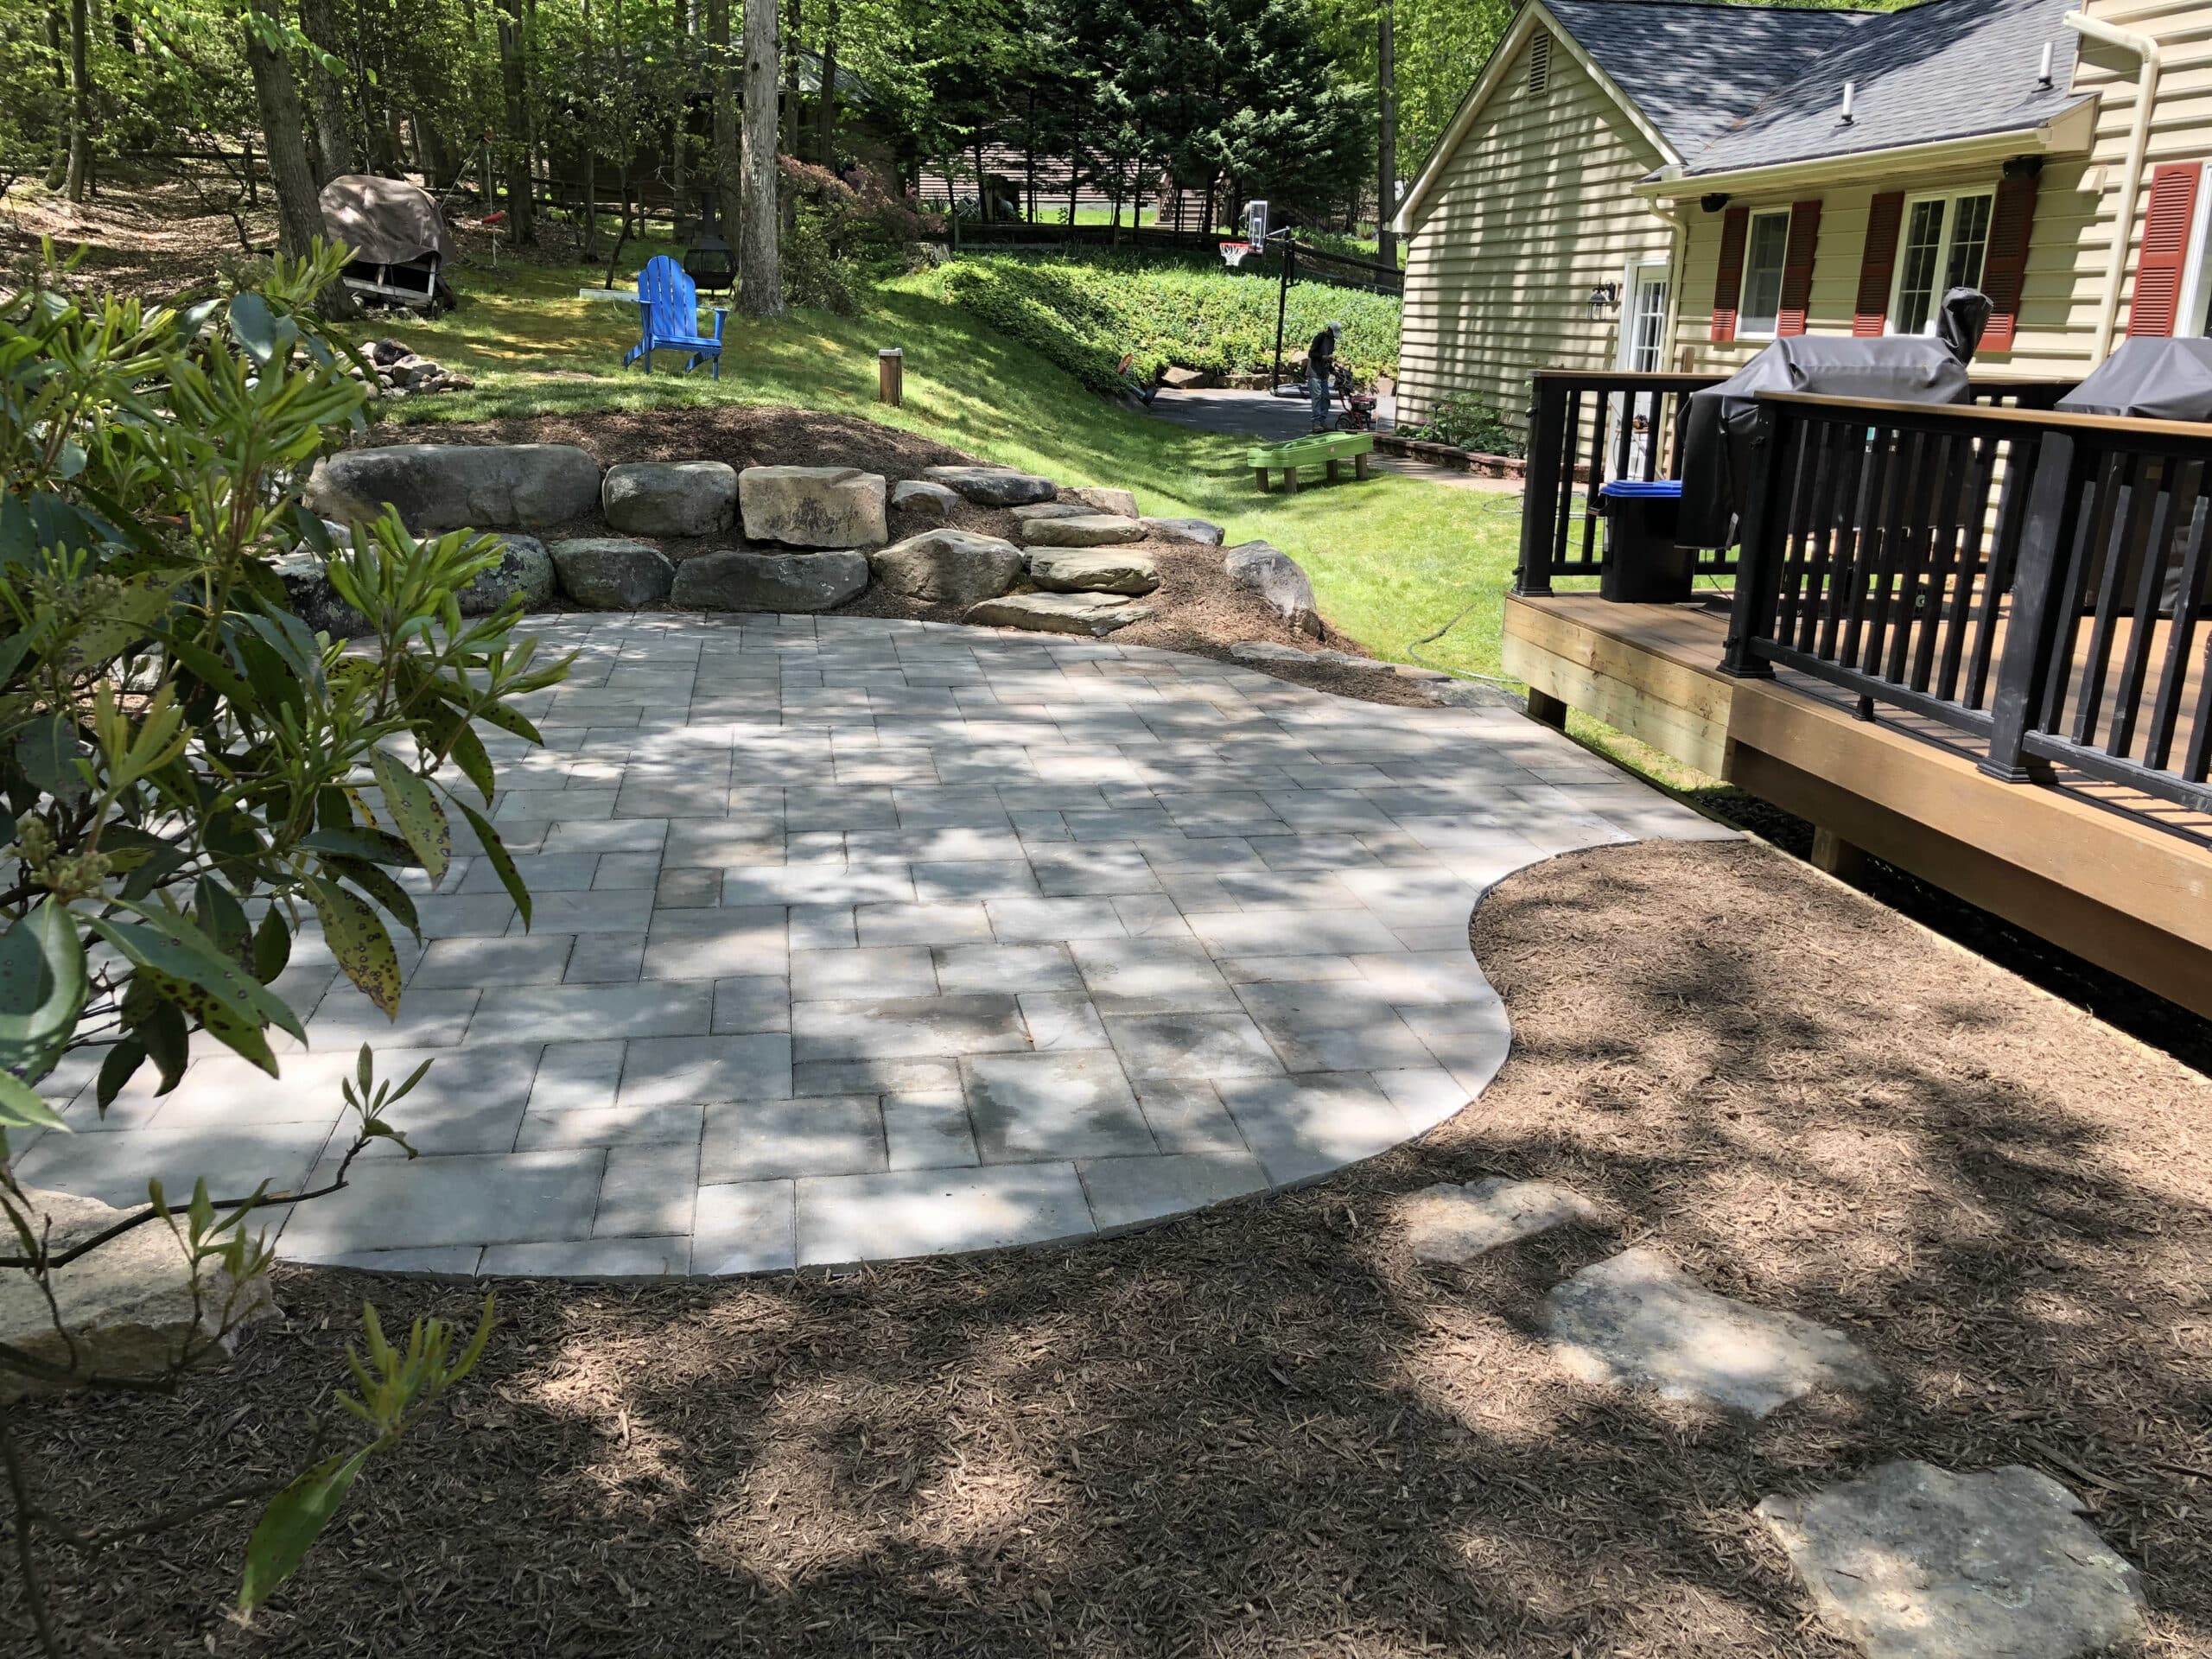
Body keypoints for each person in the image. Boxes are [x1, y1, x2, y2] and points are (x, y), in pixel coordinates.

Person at [1307, 321, 1344, 431]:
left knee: (1326, 399)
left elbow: (1328, 359)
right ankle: (1316, 423)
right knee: (1317, 398)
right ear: (1329, 330)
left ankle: (1322, 422)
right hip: (1314, 373)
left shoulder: (1332, 341)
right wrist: (1324, 357)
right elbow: (1311, 353)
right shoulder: (1320, 337)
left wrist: (1333, 371)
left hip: (1324, 373)